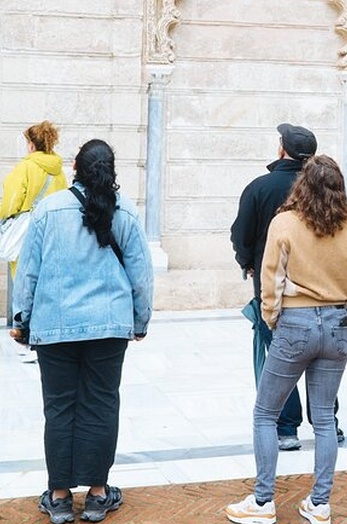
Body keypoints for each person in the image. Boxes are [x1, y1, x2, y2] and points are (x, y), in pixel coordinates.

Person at [12, 139, 154, 524]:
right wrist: (140, 321)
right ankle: (96, 495)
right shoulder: (124, 211)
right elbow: (141, 274)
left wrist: (20, 320)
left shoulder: (48, 210)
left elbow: (29, 271)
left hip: (55, 325)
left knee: (59, 407)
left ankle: (58, 497)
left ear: (75, 166)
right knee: (101, 404)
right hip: (108, 326)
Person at [225, 155, 347, 524]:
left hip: (295, 321)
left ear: (302, 185)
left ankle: (262, 502)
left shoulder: (285, 223)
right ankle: (319, 503)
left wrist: (273, 319)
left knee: (265, 413)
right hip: (337, 323)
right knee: (323, 418)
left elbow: (270, 278)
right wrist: (345, 310)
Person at [230, 123, 342, 451]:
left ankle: (287, 427)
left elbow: (241, 235)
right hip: (321, 287)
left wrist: (247, 262)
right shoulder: (329, 191)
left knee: (281, 357)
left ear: (282, 150)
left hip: (273, 286)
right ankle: (327, 424)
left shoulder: (260, 187)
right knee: (322, 360)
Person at [1, 121, 68, 276]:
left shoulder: (25, 167)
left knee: (23, 279)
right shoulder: (58, 171)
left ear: (31, 145)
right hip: (53, 233)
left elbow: (10, 205)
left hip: (27, 233)